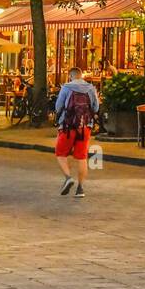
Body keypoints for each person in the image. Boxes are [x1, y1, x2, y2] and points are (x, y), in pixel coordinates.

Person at [54, 68, 100, 198]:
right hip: (85, 125)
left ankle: (68, 177)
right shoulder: (91, 88)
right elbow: (96, 107)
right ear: (81, 76)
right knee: (81, 157)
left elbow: (58, 106)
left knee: (60, 153)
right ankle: (80, 188)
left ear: (70, 76)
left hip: (68, 126)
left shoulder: (66, 88)